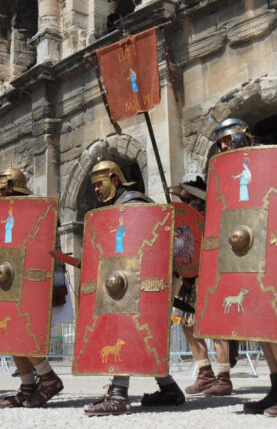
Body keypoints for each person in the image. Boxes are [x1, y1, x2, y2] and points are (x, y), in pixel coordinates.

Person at [213, 118, 277, 416]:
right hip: (248, 253)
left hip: (274, 251)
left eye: (227, 140)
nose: (223, 147)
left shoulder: (269, 160)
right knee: (261, 329)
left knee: (274, 324)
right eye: (220, 143)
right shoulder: (229, 170)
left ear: (242, 136)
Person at [82, 160, 186, 416]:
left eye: (99, 184)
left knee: (126, 327)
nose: (96, 190)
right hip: (129, 278)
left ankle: (119, 393)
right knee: (137, 332)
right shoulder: (118, 208)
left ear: (115, 180)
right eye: (94, 186)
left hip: (140, 279)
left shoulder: (134, 205)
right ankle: (169, 389)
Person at [0, 166, 65, 409]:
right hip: (11, 279)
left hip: (35, 279)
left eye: (4, 186)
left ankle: (48, 378)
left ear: (12, 186)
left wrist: (56, 283)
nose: (0, 191)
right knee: (11, 333)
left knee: (24, 331)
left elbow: (47, 247)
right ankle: (27, 386)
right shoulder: (6, 210)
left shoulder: (38, 208)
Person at [169, 179, 236, 397]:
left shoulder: (215, 219)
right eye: (183, 200)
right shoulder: (185, 222)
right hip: (190, 279)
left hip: (211, 277)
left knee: (216, 328)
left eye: (188, 200)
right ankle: (205, 373)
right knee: (187, 325)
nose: (185, 203)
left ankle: (224, 378)